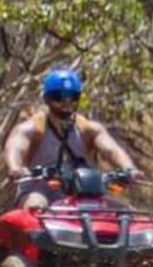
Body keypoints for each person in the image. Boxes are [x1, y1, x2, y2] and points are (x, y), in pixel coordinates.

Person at [4, 69, 139, 209]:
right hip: (39, 192)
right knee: (37, 205)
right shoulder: (32, 128)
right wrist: (16, 168)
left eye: (73, 97)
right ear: (46, 99)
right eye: (58, 97)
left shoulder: (89, 129)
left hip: (82, 197)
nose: (66, 103)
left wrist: (129, 170)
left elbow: (111, 150)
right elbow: (15, 147)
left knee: (127, 214)